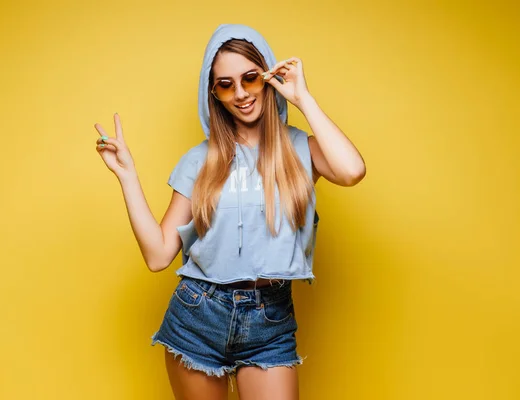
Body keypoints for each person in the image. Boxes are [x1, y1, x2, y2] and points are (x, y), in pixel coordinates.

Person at [94, 24, 365, 400]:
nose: (240, 93)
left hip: (270, 320)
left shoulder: (299, 149)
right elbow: (157, 256)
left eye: (250, 78)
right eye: (226, 84)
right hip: (197, 316)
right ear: (214, 94)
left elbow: (352, 171)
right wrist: (127, 176)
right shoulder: (198, 161)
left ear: (268, 77)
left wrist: (302, 98)